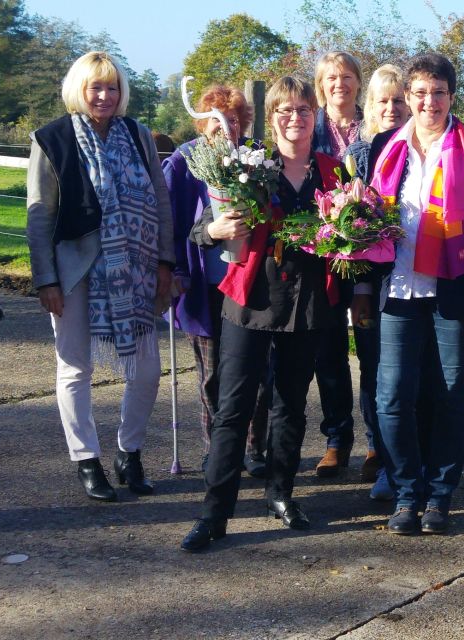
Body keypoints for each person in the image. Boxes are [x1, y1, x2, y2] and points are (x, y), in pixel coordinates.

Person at [182, 76, 341, 552]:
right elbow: (199, 232)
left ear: (317, 117)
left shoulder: (335, 171)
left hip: (308, 303)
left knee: (290, 404)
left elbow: (352, 237)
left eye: (304, 110)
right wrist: (214, 227)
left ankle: (281, 493)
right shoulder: (246, 166)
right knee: (232, 407)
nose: (296, 119)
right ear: (271, 119)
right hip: (250, 300)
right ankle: (214, 513)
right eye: (285, 111)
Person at [364, 52, 464, 535]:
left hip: (455, 296)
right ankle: (407, 491)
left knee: (450, 396)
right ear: (408, 96)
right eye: (420, 93)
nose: (429, 102)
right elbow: (364, 227)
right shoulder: (383, 148)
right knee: (392, 397)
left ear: (451, 96)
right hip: (398, 291)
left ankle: (440, 495)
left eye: (439, 92)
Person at [26, 51, 175, 502]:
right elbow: (39, 218)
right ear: (79, 89)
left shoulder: (138, 135)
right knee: (75, 368)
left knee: (146, 369)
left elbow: (161, 200)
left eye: (112, 87)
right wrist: (45, 280)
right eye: (96, 87)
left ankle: (129, 453)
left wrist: (166, 264)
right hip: (75, 273)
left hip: (137, 269)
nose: (105, 95)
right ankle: (86, 460)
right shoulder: (51, 139)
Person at [164, 85, 273, 478]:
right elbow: (172, 224)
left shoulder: (257, 156)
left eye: (233, 122)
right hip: (205, 283)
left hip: (250, 282)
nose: (225, 130)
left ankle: (254, 447)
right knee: (212, 373)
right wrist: (176, 267)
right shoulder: (184, 161)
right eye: (216, 123)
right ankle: (215, 450)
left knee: (258, 371)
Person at [344, 63, 411, 500]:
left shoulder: (432, 149)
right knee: (376, 376)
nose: (391, 107)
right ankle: (384, 459)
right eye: (383, 100)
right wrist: (362, 291)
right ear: (369, 106)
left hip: (421, 283)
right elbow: (350, 230)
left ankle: (411, 462)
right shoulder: (359, 156)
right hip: (376, 283)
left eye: (399, 100)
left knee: (413, 379)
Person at [309, 51, 365, 477]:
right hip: (322, 258)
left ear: (358, 83)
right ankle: (337, 437)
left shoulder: (377, 124)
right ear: (320, 85)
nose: (339, 84)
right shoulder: (308, 127)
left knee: (374, 350)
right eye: (331, 77)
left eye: (347, 76)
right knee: (328, 351)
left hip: (370, 255)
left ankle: (379, 440)